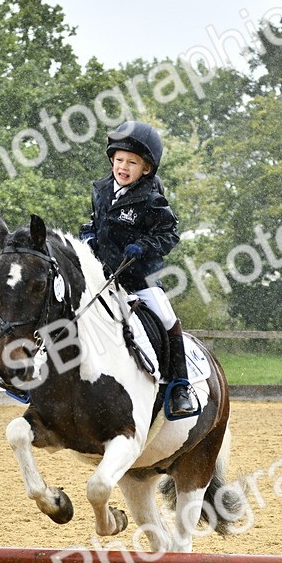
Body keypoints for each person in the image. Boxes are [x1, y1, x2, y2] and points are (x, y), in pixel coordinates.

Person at [79, 120, 199, 418]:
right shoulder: (101, 189)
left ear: (145, 169)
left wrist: (143, 246)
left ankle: (180, 387)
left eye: (132, 162)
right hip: (104, 277)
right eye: (119, 160)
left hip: (140, 279)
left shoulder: (151, 198)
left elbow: (169, 234)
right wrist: (89, 235)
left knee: (168, 318)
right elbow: (97, 224)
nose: (123, 166)